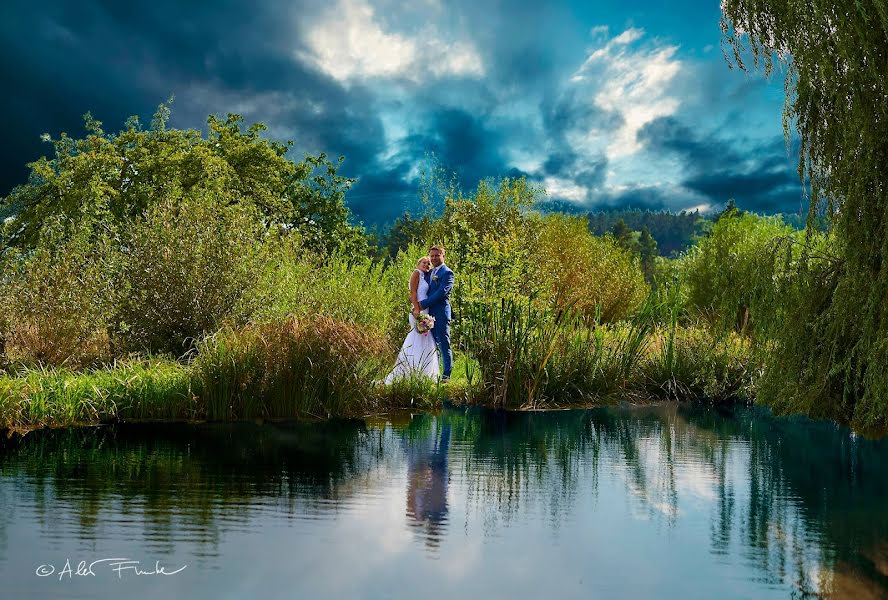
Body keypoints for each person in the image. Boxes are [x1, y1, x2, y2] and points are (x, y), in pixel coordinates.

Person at [383, 257, 440, 384]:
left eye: (428, 263)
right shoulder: (416, 273)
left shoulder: (425, 276)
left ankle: (424, 373)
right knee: (415, 339)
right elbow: (413, 292)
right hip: (418, 311)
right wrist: (416, 309)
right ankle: (409, 372)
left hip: (425, 312)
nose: (427, 265)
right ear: (418, 263)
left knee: (425, 340)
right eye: (424, 262)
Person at [419, 245, 454, 381]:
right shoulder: (429, 273)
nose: (434, 258)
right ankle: (434, 373)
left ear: (443, 256)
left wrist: (423, 303)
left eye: (437, 255)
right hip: (428, 315)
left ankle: (446, 376)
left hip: (440, 314)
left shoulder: (447, 273)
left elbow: (441, 293)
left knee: (444, 344)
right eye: (432, 256)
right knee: (431, 344)